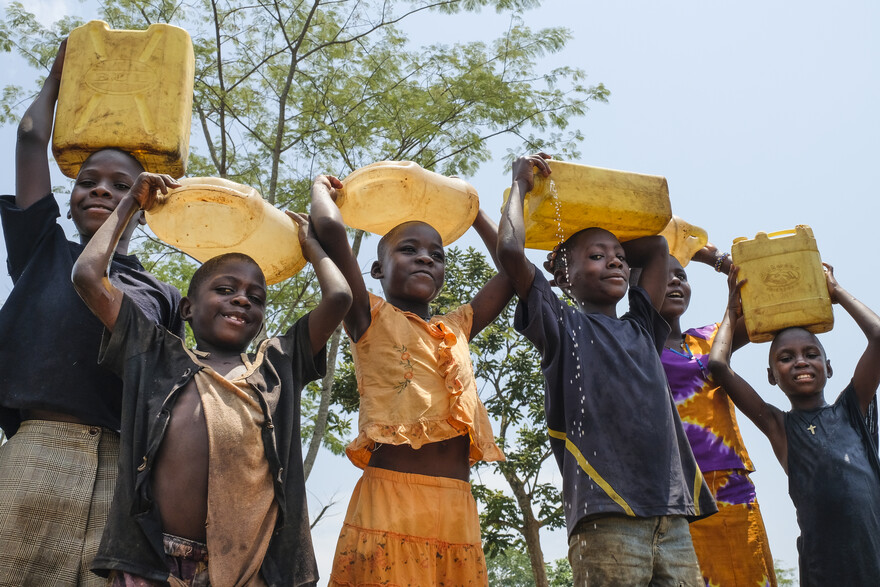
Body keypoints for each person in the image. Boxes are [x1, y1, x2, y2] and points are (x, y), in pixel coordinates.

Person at [70, 172, 352, 586]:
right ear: (186, 308)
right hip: (150, 563)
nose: (242, 299)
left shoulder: (278, 365)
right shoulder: (154, 353)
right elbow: (88, 277)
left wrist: (311, 248)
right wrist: (130, 202)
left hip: (245, 569)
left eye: (255, 298)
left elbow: (340, 298)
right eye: (225, 289)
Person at [0, 41, 184, 586]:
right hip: (32, 457)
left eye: (121, 187)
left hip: (120, 475)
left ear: (144, 205)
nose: (100, 189)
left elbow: (164, 396)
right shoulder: (44, 249)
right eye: (88, 181)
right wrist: (61, 77)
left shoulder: (163, 295)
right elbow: (32, 137)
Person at [496, 153, 717, 586]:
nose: (615, 261)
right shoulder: (562, 325)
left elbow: (656, 247)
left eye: (618, 255)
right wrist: (520, 185)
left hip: (671, 516)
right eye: (597, 256)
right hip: (606, 513)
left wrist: (598, 244)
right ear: (562, 274)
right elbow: (509, 250)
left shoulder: (642, 327)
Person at [308, 172, 508, 586]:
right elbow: (329, 228)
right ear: (378, 268)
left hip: (456, 510)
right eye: (409, 249)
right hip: (390, 504)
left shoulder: (457, 328)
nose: (425, 258)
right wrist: (319, 188)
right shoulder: (368, 315)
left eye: (437, 254)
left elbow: (512, 269)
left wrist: (470, 211)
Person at [708, 264, 880, 586]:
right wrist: (732, 311)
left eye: (811, 354)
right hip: (823, 573)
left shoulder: (852, 410)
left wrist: (837, 292)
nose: (800, 361)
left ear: (828, 367)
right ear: (772, 377)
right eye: (786, 358)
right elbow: (718, 364)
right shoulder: (780, 427)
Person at [659, 251, 777, 586]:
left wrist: (716, 260)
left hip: (731, 486)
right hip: (674, 494)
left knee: (749, 576)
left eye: (681, 275)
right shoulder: (633, 342)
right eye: (662, 274)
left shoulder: (710, 338)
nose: (674, 281)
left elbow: (766, 302)